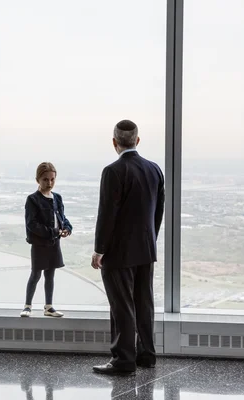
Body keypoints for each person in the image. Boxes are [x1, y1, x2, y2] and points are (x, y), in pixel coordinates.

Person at [91, 120, 165, 376]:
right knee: (144, 303)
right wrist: (149, 241)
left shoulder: (113, 171)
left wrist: (99, 249)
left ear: (114, 142)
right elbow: (158, 213)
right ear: (137, 140)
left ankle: (123, 360)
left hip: (119, 252)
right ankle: (147, 355)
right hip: (146, 249)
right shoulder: (154, 169)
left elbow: (107, 215)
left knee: (121, 305)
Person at [21, 162, 72, 317]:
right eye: (45, 179)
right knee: (36, 274)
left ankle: (48, 307)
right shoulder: (33, 199)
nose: (49, 183)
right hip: (39, 244)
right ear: (38, 179)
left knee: (50, 274)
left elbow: (62, 217)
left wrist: (67, 228)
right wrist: (53, 231)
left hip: (54, 243)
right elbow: (31, 224)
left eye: (52, 179)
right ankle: (27, 306)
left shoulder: (57, 198)